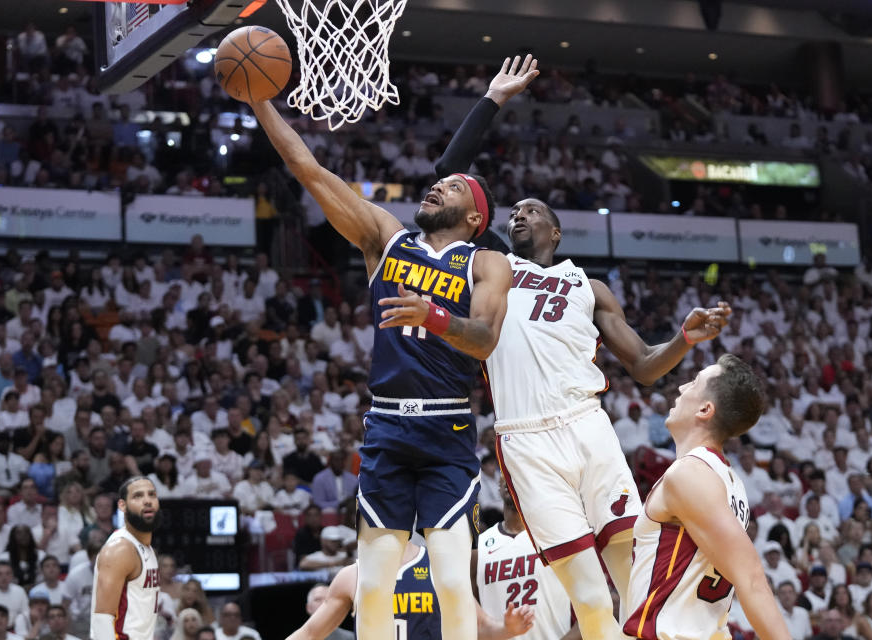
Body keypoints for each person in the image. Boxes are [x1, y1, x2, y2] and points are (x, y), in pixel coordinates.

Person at [437, 56, 731, 638]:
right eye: (513, 211)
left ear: (556, 233)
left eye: (532, 211)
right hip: (524, 436)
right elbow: (450, 168)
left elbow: (646, 366)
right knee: (589, 595)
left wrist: (683, 338)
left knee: (632, 571)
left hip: (587, 425)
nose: (519, 214)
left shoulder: (587, 286)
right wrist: (493, 98)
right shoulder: (494, 264)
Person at [249, 55, 519, 640]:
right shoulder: (385, 239)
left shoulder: (487, 262)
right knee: (374, 584)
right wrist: (256, 100)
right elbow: (308, 166)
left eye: (449, 186)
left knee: (450, 579)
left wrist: (434, 316)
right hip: (387, 428)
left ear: (474, 216)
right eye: (435, 182)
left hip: (448, 431)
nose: (434, 186)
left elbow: (485, 340)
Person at [622, 355, 789, 640]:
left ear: (704, 409)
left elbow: (752, 578)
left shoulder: (690, 474)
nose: (681, 387)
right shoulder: (731, 483)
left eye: (694, 382)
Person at [286, 539, 533, 640]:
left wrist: (507, 629)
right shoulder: (353, 574)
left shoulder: (439, 567)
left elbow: (479, 626)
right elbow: (309, 634)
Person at [474, 477, 576, 640]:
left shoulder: (558, 537)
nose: (510, 475)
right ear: (498, 485)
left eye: (516, 469)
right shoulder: (479, 546)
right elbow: (470, 617)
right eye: (505, 469)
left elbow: (593, 606)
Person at [90, 477, 160, 640]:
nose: (147, 501)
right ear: (122, 506)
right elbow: (102, 619)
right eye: (138, 496)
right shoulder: (120, 550)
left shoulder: (145, 547)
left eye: (152, 495)